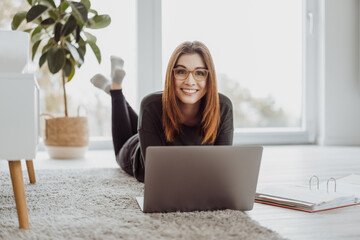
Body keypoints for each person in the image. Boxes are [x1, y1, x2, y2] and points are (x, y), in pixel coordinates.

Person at [91, 41, 234, 182]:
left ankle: (113, 87)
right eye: (181, 71)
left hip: (151, 132)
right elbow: (156, 174)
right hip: (139, 154)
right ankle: (116, 89)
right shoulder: (151, 105)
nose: (190, 81)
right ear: (171, 76)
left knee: (149, 112)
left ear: (210, 78)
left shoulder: (223, 107)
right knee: (121, 148)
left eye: (200, 73)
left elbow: (221, 169)